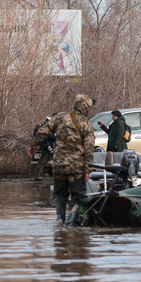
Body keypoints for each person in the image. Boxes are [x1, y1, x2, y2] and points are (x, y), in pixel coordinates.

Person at [28, 95, 95, 223]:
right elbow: (89, 149)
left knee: (59, 193)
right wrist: (87, 169)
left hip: (58, 165)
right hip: (76, 167)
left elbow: (42, 131)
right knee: (78, 196)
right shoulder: (86, 124)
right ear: (86, 107)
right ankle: (77, 222)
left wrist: (33, 146)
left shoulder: (60, 117)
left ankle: (60, 219)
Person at [33, 115, 56, 180]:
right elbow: (50, 136)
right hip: (47, 147)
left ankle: (54, 175)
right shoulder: (46, 128)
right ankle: (37, 176)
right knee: (42, 161)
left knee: (46, 161)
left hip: (46, 146)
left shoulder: (42, 126)